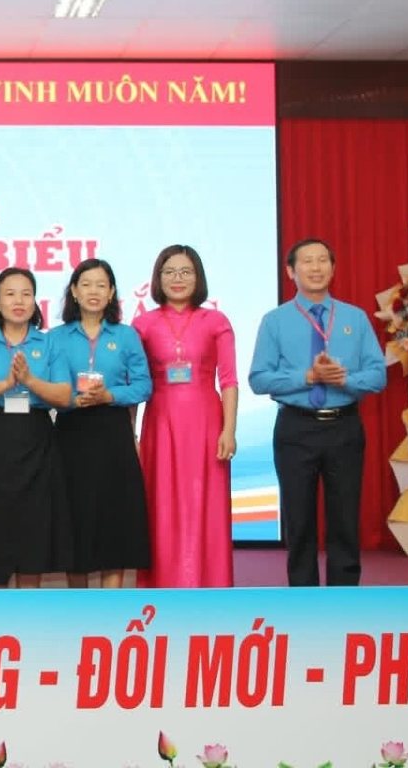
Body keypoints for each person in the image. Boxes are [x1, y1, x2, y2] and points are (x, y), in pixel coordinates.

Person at [249, 238, 386, 586]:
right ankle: (302, 598)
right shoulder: (275, 321)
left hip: (344, 427)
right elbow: (259, 379)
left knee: (345, 519)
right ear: (291, 271)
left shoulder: (354, 318)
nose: (315, 267)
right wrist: (307, 377)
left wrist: (345, 380)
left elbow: (378, 375)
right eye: (307, 261)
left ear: (333, 268)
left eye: (322, 260)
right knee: (299, 521)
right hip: (296, 429)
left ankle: (344, 597)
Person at [0, 267, 73, 588]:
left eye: (26, 294)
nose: (18, 301)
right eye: (10, 294)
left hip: (36, 440)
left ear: (35, 302)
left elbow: (64, 395)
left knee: (34, 529)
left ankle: (28, 608)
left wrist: (29, 380)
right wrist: (7, 383)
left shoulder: (49, 344)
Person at [133, 245, 238, 588]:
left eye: (186, 272)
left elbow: (229, 381)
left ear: (198, 277)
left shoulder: (216, 321)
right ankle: (162, 586)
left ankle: (211, 586)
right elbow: (134, 384)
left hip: (206, 423)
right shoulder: (143, 324)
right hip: (160, 422)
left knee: (205, 503)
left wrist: (229, 429)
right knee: (160, 503)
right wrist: (131, 434)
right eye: (169, 272)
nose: (177, 279)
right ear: (158, 278)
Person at [50, 259, 152, 589]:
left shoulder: (126, 336)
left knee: (114, 522)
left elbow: (144, 385)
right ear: (74, 292)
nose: (94, 291)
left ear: (111, 293)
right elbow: (47, 386)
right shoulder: (56, 338)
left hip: (113, 433)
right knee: (75, 519)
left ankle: (112, 606)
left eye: (101, 285)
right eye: (86, 284)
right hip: (71, 434)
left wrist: (110, 395)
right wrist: (71, 400)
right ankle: (79, 606)